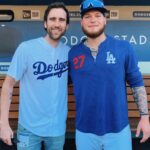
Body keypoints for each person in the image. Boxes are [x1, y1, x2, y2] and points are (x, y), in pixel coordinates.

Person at [69, 0, 150, 150]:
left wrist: (145, 117)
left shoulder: (123, 48)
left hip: (118, 130)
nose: (93, 20)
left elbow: (137, 84)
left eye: (98, 15)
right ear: (81, 22)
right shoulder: (73, 53)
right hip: (84, 131)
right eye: (87, 16)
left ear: (105, 19)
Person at [0, 2, 70, 150]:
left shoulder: (69, 53)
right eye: (52, 19)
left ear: (67, 26)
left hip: (57, 130)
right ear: (45, 23)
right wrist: (3, 124)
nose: (57, 24)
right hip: (29, 129)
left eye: (61, 20)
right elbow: (8, 85)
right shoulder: (26, 48)